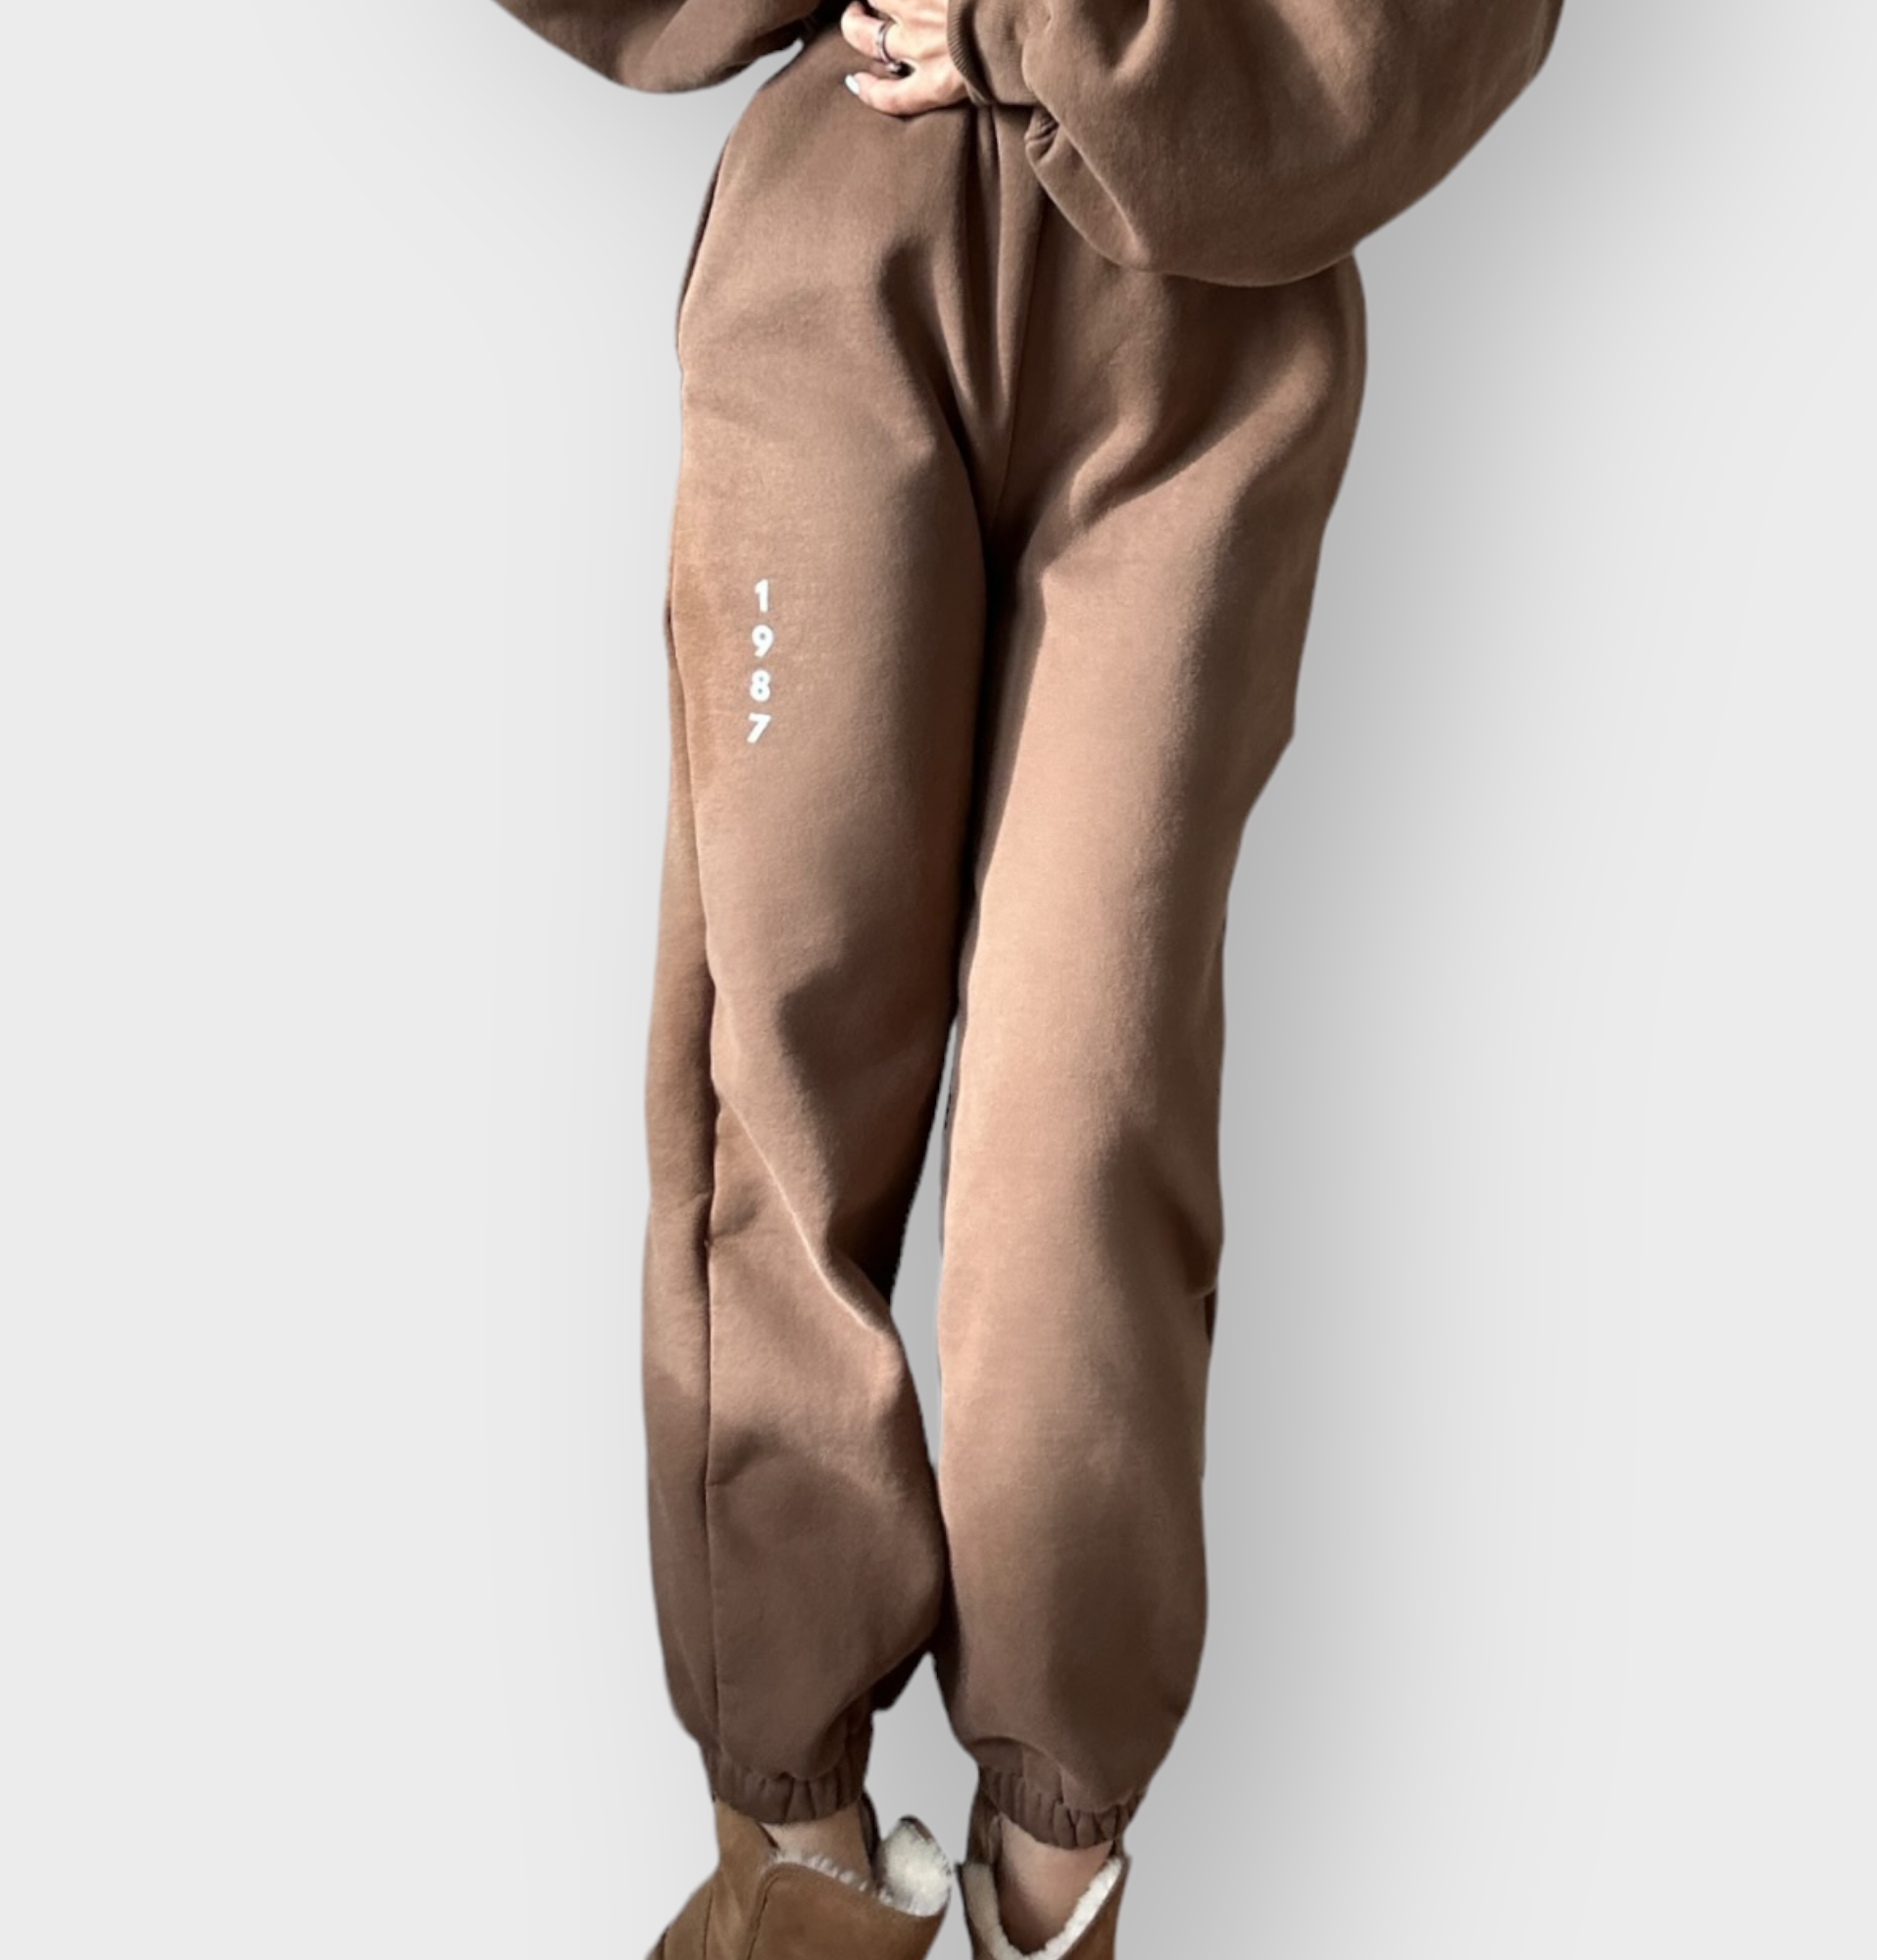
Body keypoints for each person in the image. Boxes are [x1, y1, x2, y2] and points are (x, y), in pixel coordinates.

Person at [485, 1, 1562, 1953]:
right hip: (844, 266)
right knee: (777, 1059)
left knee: (1087, 1106)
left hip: (1203, 322)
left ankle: (1052, 1879)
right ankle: (793, 1866)